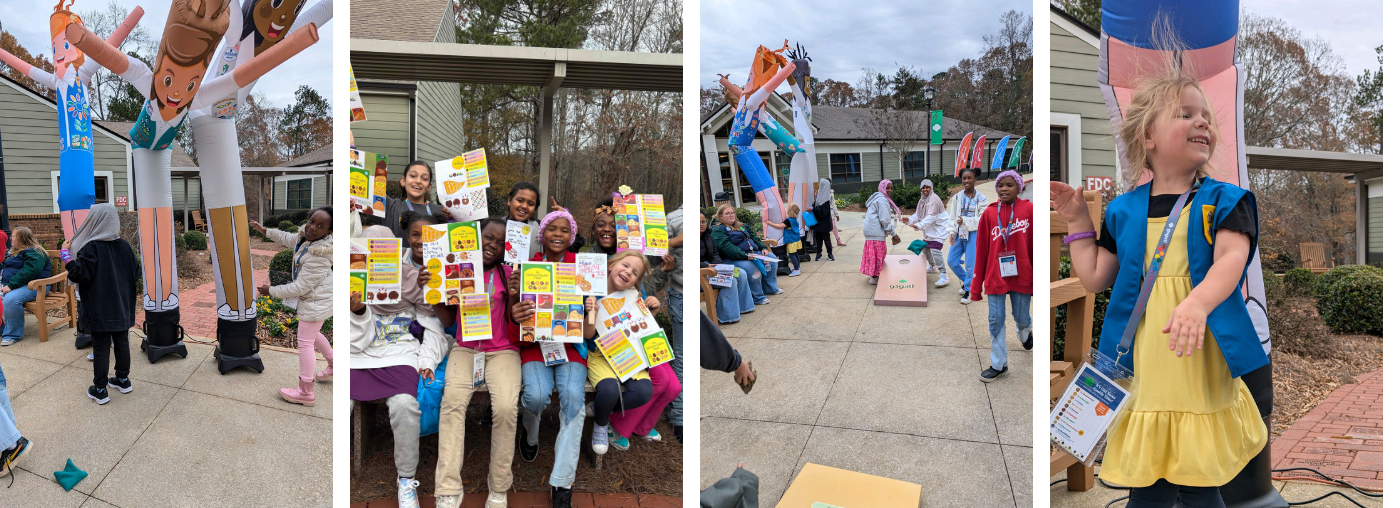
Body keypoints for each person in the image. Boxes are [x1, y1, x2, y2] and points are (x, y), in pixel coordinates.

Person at [1050, 76, 1268, 507]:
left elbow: (1231, 259)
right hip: (1142, 362)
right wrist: (1077, 222)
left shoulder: (1226, 200)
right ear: (1147, 136)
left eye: (1205, 115)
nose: (1202, 121)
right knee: (1147, 486)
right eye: (1186, 114)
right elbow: (1094, 277)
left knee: (1200, 482)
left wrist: (1197, 302)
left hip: (1199, 360)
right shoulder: (1123, 209)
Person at [348, 225, 447, 508]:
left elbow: (434, 328)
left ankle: (406, 479)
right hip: (358, 354)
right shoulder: (349, 278)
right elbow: (353, 343)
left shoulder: (411, 278)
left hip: (400, 353)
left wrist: (427, 359)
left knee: (405, 406)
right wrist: (357, 311)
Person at [430, 217, 520, 508]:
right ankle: (447, 488)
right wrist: (434, 293)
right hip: (465, 349)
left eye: (499, 241)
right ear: (475, 238)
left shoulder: (509, 274)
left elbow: (516, 322)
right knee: (452, 403)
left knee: (506, 408)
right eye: (488, 238)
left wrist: (518, 294)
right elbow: (448, 321)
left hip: (502, 351)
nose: (492, 245)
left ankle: (499, 488)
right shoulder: (455, 268)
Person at [512, 208, 587, 507]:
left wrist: (590, 302)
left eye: (564, 229)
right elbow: (516, 317)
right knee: (536, 397)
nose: (558, 234)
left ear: (572, 236)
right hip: (535, 345)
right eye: (551, 229)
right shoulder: (528, 266)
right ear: (541, 235)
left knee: (572, 396)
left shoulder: (582, 267)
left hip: (570, 347)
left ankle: (562, 483)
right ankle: (530, 432)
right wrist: (517, 297)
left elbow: (590, 319)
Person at [581, 251, 678, 455]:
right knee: (609, 391)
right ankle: (601, 424)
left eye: (634, 273)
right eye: (625, 265)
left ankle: (599, 409)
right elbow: (587, 333)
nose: (628, 272)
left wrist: (652, 311)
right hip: (600, 354)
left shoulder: (633, 298)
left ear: (636, 282)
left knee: (643, 391)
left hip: (628, 353)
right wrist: (592, 313)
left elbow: (642, 328)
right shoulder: (591, 293)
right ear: (610, 265)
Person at [253, 207, 335, 406]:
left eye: (320, 226)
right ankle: (334, 365)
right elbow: (289, 238)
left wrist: (271, 290)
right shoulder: (306, 238)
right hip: (318, 299)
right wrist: (265, 231)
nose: (312, 227)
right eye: (311, 221)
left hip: (316, 301)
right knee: (312, 336)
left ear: (329, 232)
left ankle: (305, 392)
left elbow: (300, 286)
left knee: (305, 342)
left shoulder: (321, 255)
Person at [60, 204, 138, 405]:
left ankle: (100, 389)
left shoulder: (91, 247)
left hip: (99, 308)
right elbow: (136, 273)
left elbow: (78, 274)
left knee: (101, 346)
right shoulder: (125, 247)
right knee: (122, 342)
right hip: (122, 306)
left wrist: (65, 255)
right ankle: (123, 379)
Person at [968, 172, 1033, 382]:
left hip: (1022, 275)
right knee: (995, 319)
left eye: (1009, 185)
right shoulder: (988, 214)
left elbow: (1035, 246)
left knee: (1021, 317)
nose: (1004, 189)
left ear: (1019, 187)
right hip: (996, 276)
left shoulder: (1029, 210)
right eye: (1000, 185)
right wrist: (975, 286)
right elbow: (981, 251)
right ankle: (999, 363)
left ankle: (1025, 332)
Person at [710, 204, 780, 305]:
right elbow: (727, 248)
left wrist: (763, 248)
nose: (731, 215)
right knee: (752, 268)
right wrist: (745, 255)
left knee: (771, 259)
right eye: (727, 213)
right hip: (734, 259)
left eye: (732, 213)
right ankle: (757, 296)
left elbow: (754, 238)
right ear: (721, 216)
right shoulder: (717, 230)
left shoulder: (741, 226)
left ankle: (769, 288)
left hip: (753, 253)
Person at [363, 161, 443, 240]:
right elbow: (365, 184)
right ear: (403, 181)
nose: (418, 181)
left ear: (429, 187)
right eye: (413, 176)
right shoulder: (389, 207)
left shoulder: (441, 211)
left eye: (424, 178)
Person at [700, 210, 755, 324]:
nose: (701, 224)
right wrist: (706, 265)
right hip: (701, 273)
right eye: (697, 222)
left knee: (741, 274)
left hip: (713, 268)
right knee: (731, 280)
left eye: (703, 221)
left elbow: (715, 254)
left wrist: (716, 264)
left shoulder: (708, 236)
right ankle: (726, 316)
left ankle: (744, 307)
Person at [0, 228, 51, 346]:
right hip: (14, 285)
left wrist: (11, 286)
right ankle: (1, 328)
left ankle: (12, 335)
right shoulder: (14, 251)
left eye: (13, 236)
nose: (10, 238)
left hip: (36, 286)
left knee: (10, 299)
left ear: (21, 239)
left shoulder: (35, 252)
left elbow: (29, 272)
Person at [947, 168, 989, 304]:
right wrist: (952, 232)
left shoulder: (982, 199)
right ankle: (967, 282)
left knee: (971, 264)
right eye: (964, 178)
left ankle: (968, 290)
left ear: (975, 179)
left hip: (974, 233)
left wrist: (965, 221)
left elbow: (982, 219)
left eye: (970, 178)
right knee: (952, 261)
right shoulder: (957, 197)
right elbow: (953, 216)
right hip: (960, 233)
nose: (966, 181)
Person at [902, 179, 953, 287]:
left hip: (939, 228)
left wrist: (920, 225)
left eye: (927, 187)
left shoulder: (933, 199)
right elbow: (918, 214)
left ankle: (944, 274)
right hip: (930, 228)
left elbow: (931, 217)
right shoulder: (922, 200)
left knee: (935, 249)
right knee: (925, 247)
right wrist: (909, 220)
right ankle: (933, 266)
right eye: (923, 187)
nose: (925, 189)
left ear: (931, 188)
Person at [860, 179, 900, 284]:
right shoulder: (882, 200)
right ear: (882, 188)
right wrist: (893, 233)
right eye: (887, 188)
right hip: (876, 233)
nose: (890, 190)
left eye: (891, 188)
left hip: (871, 232)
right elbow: (885, 220)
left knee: (873, 255)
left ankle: (873, 275)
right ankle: (874, 277)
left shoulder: (877, 198)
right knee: (878, 255)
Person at [502, 181, 544, 258]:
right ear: (509, 200)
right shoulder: (496, 226)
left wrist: (563, 216)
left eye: (530, 204)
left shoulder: (541, 228)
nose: (524, 206)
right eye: (520, 200)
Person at [768, 203, 804, 277]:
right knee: (796, 254)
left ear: (790, 212)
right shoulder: (794, 219)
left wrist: (770, 223)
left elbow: (780, 226)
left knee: (792, 255)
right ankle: (797, 268)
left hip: (791, 241)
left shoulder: (788, 221)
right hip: (796, 239)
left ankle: (797, 270)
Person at [808, 179, 836, 260]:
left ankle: (830, 254)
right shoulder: (820, 195)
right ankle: (818, 253)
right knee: (818, 239)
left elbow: (823, 211)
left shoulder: (826, 198)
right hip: (818, 223)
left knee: (826, 239)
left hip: (824, 223)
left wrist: (813, 209)